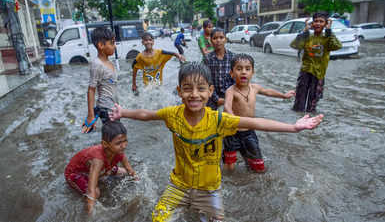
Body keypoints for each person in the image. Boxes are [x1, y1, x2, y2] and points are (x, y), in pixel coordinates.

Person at [109, 62, 323, 221]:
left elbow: (257, 122)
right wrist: (123, 112)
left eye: (201, 89)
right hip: (179, 185)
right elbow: (147, 114)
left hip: (209, 189)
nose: (194, 95)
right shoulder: (172, 114)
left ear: (210, 91)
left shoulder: (219, 120)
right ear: (179, 92)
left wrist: (294, 127)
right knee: (157, 218)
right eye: (187, 88)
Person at [223, 54, 296, 173]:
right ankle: (229, 178)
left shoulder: (255, 88)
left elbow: (268, 92)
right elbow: (227, 105)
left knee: (257, 164)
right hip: (231, 132)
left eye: (247, 69)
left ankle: (252, 174)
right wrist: (232, 118)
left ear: (253, 72)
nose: (243, 72)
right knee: (229, 163)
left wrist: (283, 95)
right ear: (231, 73)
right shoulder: (230, 91)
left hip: (249, 131)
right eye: (239, 69)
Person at [65, 121, 138, 214]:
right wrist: (90, 215)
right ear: (105, 144)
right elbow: (91, 191)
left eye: (125, 141)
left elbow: (130, 170)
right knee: (96, 192)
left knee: (124, 172)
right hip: (75, 173)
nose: (124, 146)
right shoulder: (98, 160)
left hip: (100, 169)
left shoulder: (119, 152)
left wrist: (139, 183)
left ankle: (100, 175)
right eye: (119, 143)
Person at [290, 12, 342, 112]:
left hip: (319, 74)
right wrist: (304, 32)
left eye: (321, 21)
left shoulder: (327, 38)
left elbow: (337, 46)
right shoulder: (308, 37)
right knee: (298, 102)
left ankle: (309, 119)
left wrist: (329, 31)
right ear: (312, 24)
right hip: (305, 71)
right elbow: (295, 45)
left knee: (313, 103)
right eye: (316, 21)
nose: (318, 24)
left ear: (326, 24)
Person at [81, 27, 119, 133]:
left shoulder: (110, 63)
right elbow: (91, 90)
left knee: (114, 136)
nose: (114, 46)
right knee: (114, 136)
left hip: (113, 107)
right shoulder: (97, 64)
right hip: (106, 109)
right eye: (112, 43)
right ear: (101, 45)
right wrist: (90, 115)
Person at [203, 28, 235, 110]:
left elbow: (235, 80)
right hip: (212, 96)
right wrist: (216, 99)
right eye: (215, 38)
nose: (218, 40)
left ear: (226, 40)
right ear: (210, 41)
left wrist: (229, 97)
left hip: (230, 95)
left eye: (221, 37)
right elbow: (207, 81)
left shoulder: (233, 57)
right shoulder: (207, 58)